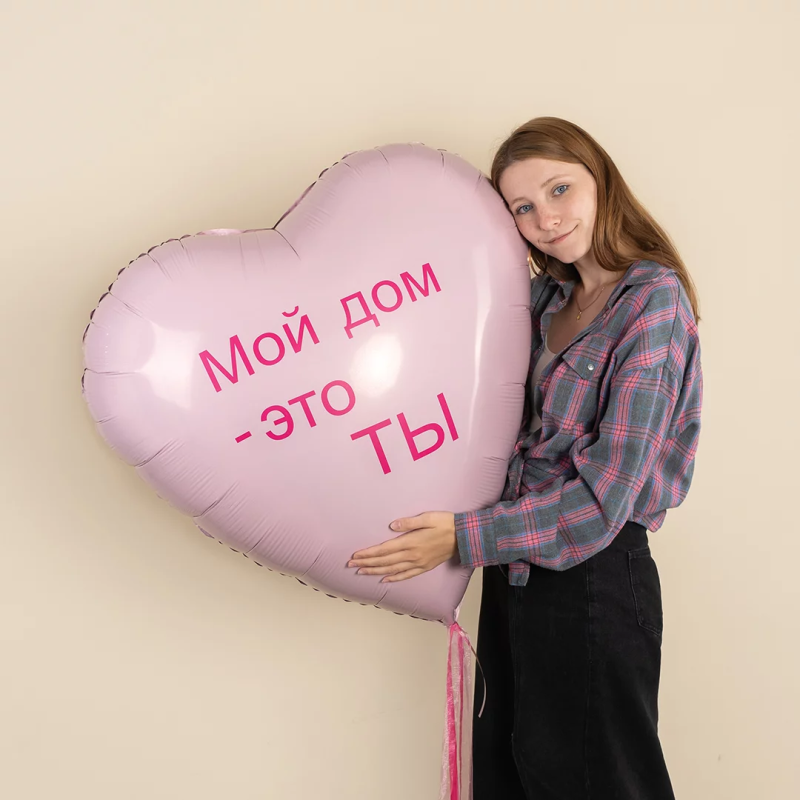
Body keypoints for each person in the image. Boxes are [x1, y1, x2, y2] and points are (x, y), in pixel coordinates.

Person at [348, 116, 703, 800]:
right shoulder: (542, 299)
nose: (546, 219)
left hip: (592, 578)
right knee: (511, 777)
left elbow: (601, 503)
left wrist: (461, 537)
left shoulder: (652, 302)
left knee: (597, 784)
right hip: (511, 574)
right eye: (522, 207)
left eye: (559, 189)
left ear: (600, 179)